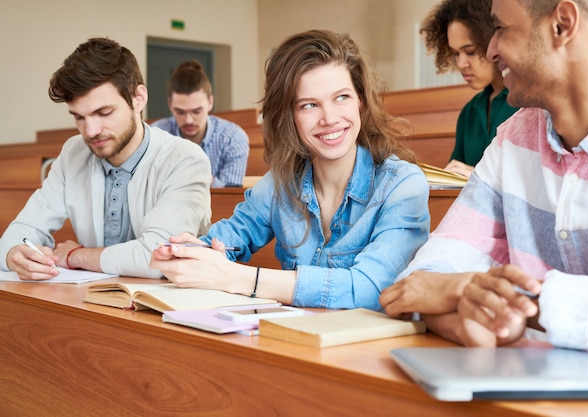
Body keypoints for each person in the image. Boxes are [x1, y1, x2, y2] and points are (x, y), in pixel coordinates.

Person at [380, 0, 588, 354]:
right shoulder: (513, 139)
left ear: (562, 25)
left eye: (500, 29)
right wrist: (465, 304)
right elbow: (416, 285)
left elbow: (441, 289)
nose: (490, 50)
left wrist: (488, 297)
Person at [151, 29, 430, 311]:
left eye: (342, 97)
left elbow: (373, 289)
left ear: (361, 100)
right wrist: (184, 253)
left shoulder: (402, 185)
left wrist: (239, 278)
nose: (330, 118)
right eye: (309, 105)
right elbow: (227, 239)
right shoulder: (280, 183)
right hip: (292, 342)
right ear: (289, 116)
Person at [0, 37, 212, 280]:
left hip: (168, 307)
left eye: (104, 113)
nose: (90, 131)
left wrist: (77, 256)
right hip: (96, 301)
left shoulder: (185, 159)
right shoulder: (74, 152)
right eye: (79, 117)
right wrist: (16, 255)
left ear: (138, 98)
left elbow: (157, 258)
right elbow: (21, 231)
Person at [420, 0, 518, 178]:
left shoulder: (526, 103)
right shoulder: (469, 112)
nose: (461, 64)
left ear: (492, 41)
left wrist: (478, 175)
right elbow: (455, 175)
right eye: (456, 53)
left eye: (470, 51)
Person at [151, 60, 250, 187]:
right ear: (170, 104)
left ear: (210, 103)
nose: (188, 120)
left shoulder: (233, 138)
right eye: (180, 112)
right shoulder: (156, 135)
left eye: (196, 111)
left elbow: (230, 194)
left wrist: (193, 175)